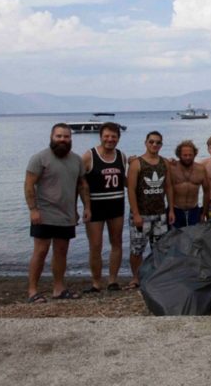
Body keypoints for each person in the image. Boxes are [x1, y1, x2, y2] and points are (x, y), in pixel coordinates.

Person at [24, 123, 91, 303]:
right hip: (44, 214)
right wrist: (33, 210)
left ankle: (59, 288)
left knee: (61, 252)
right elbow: (29, 185)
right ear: (52, 137)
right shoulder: (39, 158)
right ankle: (32, 291)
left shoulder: (76, 160)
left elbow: (82, 185)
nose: (62, 140)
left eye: (66, 137)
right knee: (41, 251)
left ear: (71, 138)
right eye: (59, 136)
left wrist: (86, 207)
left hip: (66, 215)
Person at [126, 131, 174, 290]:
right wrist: (136, 214)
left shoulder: (164, 163)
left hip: (160, 214)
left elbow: (168, 187)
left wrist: (171, 210)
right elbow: (131, 190)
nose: (155, 145)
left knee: (160, 248)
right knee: (137, 248)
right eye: (152, 142)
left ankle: (157, 276)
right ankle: (135, 277)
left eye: (158, 142)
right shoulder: (136, 163)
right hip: (141, 214)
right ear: (146, 143)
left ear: (161, 145)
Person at [82, 122, 127, 293]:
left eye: (113, 136)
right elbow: (81, 182)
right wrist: (85, 206)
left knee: (117, 243)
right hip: (96, 206)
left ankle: (113, 281)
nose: (110, 139)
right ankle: (96, 282)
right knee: (95, 245)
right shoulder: (89, 156)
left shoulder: (121, 156)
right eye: (106, 136)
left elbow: (124, 181)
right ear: (100, 136)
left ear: (118, 138)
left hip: (116, 205)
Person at [170, 140, 208, 228]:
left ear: (194, 154)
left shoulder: (201, 169)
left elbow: (207, 192)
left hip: (194, 210)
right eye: (185, 155)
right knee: (176, 239)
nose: (188, 157)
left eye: (190, 155)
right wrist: (170, 211)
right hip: (176, 210)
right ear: (179, 155)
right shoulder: (171, 168)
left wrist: (204, 212)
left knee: (194, 239)